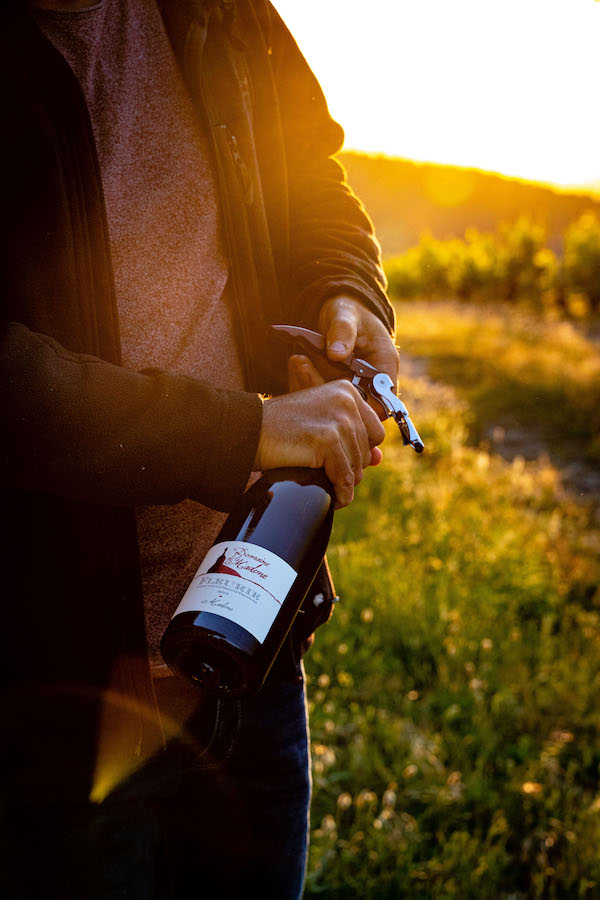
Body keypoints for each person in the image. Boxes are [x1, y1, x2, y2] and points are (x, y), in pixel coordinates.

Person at [1, 0, 398, 896]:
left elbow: (309, 167)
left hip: (252, 644)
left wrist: (349, 288)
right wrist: (245, 431)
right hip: (45, 704)